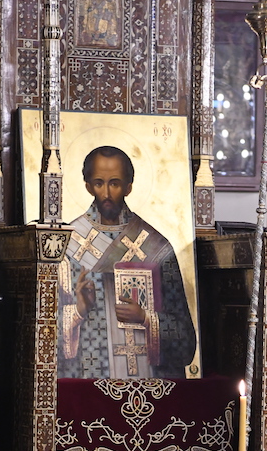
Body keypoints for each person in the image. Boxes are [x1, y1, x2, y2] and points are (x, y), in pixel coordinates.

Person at [58, 145, 196, 378]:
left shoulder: (156, 247)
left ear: (128, 187)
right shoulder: (67, 247)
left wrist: (145, 318)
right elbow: (42, 336)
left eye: (114, 183)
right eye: (99, 183)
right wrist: (79, 311)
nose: (106, 193)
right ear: (88, 186)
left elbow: (185, 340)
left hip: (147, 386)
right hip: (88, 384)